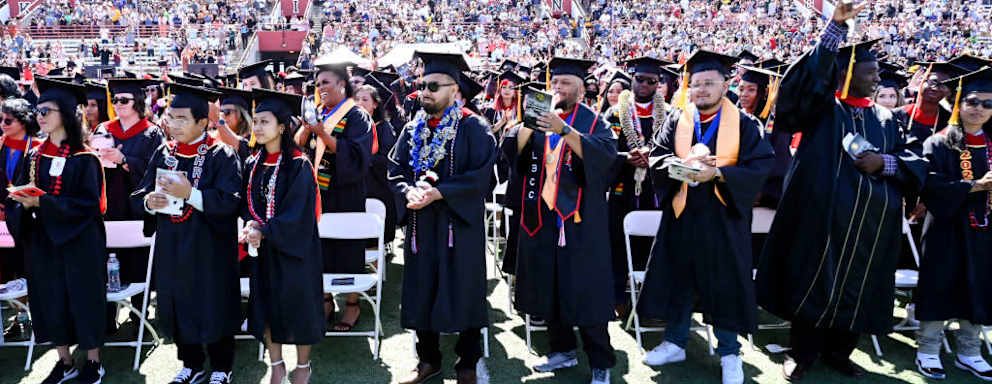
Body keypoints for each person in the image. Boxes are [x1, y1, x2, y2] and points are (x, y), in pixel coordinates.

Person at [755, 4, 929, 381]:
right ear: (847, 73)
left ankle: (839, 353)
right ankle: (800, 353)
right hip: (822, 222)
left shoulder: (887, 119)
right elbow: (805, 84)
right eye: (871, 72)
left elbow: (915, 160)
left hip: (870, 227)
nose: (878, 79)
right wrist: (835, 29)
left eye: (878, 72)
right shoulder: (823, 111)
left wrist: (886, 164)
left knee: (858, 287)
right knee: (813, 282)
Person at [636, 51, 774, 384]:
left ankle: (730, 354)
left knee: (724, 285)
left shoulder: (744, 124)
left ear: (726, 84)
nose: (700, 90)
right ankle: (675, 342)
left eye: (709, 83)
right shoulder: (677, 119)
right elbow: (657, 155)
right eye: (695, 84)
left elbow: (760, 167)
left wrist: (719, 174)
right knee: (679, 278)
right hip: (683, 214)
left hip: (723, 217)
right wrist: (678, 168)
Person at [388, 50, 496, 384]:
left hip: (458, 227)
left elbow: (483, 176)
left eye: (434, 85)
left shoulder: (473, 127)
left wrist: (440, 192)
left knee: (465, 287)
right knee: (422, 289)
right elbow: (396, 169)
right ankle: (428, 359)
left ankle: (469, 360)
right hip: (422, 226)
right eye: (422, 85)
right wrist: (408, 192)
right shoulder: (412, 127)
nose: (426, 92)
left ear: (455, 90)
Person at [508, 57, 618, 384]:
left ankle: (601, 361)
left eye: (566, 83)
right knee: (550, 286)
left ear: (582, 90)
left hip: (581, 224)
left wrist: (564, 130)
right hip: (541, 217)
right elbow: (514, 151)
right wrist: (528, 124)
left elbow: (604, 157)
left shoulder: (595, 121)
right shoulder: (538, 117)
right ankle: (562, 350)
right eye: (555, 83)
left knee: (587, 292)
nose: (558, 88)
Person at [132, 83, 243, 384]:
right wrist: (148, 202)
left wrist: (191, 193)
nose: (173, 124)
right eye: (170, 117)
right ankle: (190, 364)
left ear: (203, 122)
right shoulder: (164, 152)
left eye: (182, 118)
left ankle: (221, 367)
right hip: (173, 245)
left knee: (213, 303)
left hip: (210, 247)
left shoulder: (222, 155)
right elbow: (140, 192)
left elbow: (230, 201)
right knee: (178, 302)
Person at [7, 77, 107, 384]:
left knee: (83, 298)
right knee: (50, 299)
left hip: (79, 242)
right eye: (38, 110)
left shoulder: (85, 158)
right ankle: (64, 362)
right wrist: (22, 204)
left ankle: (93, 363)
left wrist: (44, 203)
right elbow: (17, 196)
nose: (40, 115)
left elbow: (89, 205)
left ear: (65, 113)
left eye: (47, 110)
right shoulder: (34, 155)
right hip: (43, 241)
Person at [242, 88, 324, 384]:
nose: (258, 128)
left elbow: (298, 213)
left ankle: (302, 367)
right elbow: (246, 205)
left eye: (265, 121)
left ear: (281, 127)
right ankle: (276, 365)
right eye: (255, 121)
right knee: (265, 306)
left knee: (299, 308)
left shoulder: (298, 165)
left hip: (295, 251)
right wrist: (250, 226)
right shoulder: (252, 165)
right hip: (263, 250)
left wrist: (264, 230)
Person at [915, 67, 992, 381]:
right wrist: (975, 186)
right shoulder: (939, 142)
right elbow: (929, 185)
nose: (979, 109)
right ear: (958, 102)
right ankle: (928, 350)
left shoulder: (991, 143)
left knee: (980, 287)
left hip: (984, 232)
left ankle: (969, 351)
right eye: (973, 101)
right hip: (946, 229)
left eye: (988, 104)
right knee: (940, 286)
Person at [294, 57, 373, 332]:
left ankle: (352, 304)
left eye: (326, 82)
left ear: (342, 84)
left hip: (346, 192)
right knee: (321, 248)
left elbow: (357, 157)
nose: (321, 88)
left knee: (348, 248)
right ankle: (326, 300)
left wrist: (323, 134)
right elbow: (297, 146)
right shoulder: (318, 113)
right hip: (319, 193)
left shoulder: (356, 115)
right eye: (317, 84)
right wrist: (307, 128)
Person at [94, 78, 167, 332]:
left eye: (124, 100)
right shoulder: (104, 129)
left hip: (137, 203)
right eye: (115, 100)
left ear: (137, 102)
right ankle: (106, 316)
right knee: (107, 255)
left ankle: (140, 313)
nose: (118, 104)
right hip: (110, 204)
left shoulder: (152, 132)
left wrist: (125, 159)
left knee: (138, 258)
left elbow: (158, 168)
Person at [604, 56, 669, 316]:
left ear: (658, 83)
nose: (644, 85)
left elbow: (674, 149)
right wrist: (625, 158)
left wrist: (652, 158)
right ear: (632, 79)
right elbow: (605, 150)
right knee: (618, 243)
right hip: (623, 189)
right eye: (640, 79)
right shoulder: (614, 113)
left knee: (653, 245)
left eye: (651, 81)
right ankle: (617, 295)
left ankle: (649, 300)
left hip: (655, 189)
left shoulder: (669, 115)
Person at [0, 98, 40, 299]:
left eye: (8, 121)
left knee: (25, 266)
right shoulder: (1, 145)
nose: (2, 125)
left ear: (23, 122)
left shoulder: (38, 148)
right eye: (1, 120)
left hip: (26, 218)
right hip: (2, 217)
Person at [355, 79, 400, 249]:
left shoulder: (383, 128)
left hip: (376, 185)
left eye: (365, 99)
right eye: (357, 99)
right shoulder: (351, 126)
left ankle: (375, 262)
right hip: (356, 185)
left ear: (375, 104)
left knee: (372, 234)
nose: (360, 103)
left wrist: (362, 158)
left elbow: (388, 160)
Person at [893, 62, 965, 144]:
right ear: (923, 81)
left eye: (944, 85)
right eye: (933, 81)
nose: (936, 88)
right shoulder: (897, 115)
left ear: (948, 91)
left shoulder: (949, 122)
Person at [214, 86, 255, 162]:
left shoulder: (251, 140)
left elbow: (235, 144)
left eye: (227, 112)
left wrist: (219, 120)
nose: (222, 115)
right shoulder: (215, 137)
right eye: (221, 112)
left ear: (241, 116)